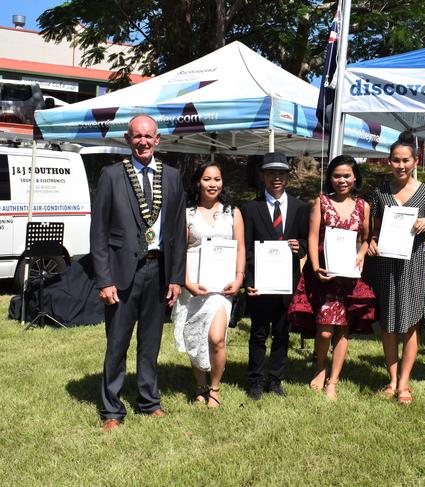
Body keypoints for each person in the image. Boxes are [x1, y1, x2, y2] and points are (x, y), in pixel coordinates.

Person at [90, 114, 186, 432]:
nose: (143, 141)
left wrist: (176, 277)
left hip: (158, 270)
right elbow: (99, 232)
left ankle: (149, 401)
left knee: (150, 343)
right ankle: (111, 410)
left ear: (158, 139)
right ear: (128, 139)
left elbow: (177, 232)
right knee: (117, 342)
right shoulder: (112, 175)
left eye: (149, 136)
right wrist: (103, 280)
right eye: (137, 136)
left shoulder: (172, 176)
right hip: (121, 273)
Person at [288, 155, 376, 400]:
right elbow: (313, 236)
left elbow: (367, 237)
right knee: (325, 330)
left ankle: (333, 380)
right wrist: (315, 267)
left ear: (355, 176)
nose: (342, 180)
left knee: (342, 328)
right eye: (337, 176)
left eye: (346, 175)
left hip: (349, 276)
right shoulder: (321, 202)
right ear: (330, 178)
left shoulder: (363, 207)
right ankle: (320, 367)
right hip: (324, 274)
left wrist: (361, 254)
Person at [367, 131, 425, 405]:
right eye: (396, 160)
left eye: (406, 160)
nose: (401, 165)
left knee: (410, 324)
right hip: (386, 264)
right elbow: (372, 231)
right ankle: (392, 379)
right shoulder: (380, 193)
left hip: (414, 264)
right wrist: (372, 242)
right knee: (388, 323)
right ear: (389, 162)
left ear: (415, 161)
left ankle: (405, 384)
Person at [172, 162, 246, 408]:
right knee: (194, 337)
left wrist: (239, 277)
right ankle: (200, 386)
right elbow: (179, 250)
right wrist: (186, 282)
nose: (212, 184)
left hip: (221, 287)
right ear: (198, 182)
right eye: (207, 179)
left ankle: (214, 388)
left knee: (216, 338)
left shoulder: (232, 212)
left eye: (217, 179)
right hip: (194, 285)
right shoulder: (187, 214)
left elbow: (241, 247)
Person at [241, 152, 309, 401]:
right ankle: (256, 380)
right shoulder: (250, 208)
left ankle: (276, 379)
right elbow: (246, 249)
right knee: (258, 332)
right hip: (261, 283)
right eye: (271, 173)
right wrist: (249, 281)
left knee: (282, 333)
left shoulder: (301, 207)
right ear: (263, 176)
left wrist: (298, 247)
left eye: (281, 173)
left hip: (287, 281)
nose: (276, 178)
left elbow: (305, 241)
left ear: (287, 177)